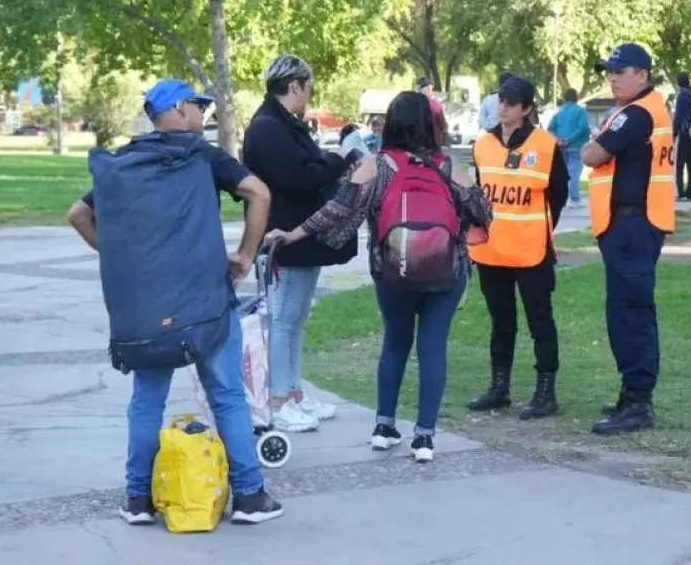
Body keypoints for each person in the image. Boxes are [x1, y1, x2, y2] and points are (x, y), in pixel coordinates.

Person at [65, 78, 283, 526]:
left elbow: (79, 215)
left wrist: (123, 258)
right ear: (181, 109)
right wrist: (245, 255)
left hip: (147, 309)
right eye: (200, 106)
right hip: (206, 304)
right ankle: (249, 496)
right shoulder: (203, 156)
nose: (203, 115)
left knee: (147, 401)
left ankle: (137, 500)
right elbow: (259, 192)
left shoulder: (124, 164)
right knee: (227, 396)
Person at [264, 92, 492, 462]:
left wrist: (292, 234)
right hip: (445, 271)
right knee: (433, 347)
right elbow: (482, 210)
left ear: (391, 124)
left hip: (392, 270)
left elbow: (337, 209)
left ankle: (384, 427)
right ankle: (424, 437)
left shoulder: (378, 165)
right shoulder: (449, 166)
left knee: (395, 342)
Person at [242, 54, 359, 433]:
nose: (309, 94)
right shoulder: (267, 127)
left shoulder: (285, 123)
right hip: (283, 236)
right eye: (307, 87)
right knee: (282, 319)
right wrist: (339, 159)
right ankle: (278, 400)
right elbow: (298, 175)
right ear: (295, 85)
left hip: (302, 235)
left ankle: (293, 391)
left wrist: (330, 161)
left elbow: (307, 167)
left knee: (295, 318)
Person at [580, 43, 675, 436]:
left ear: (642, 74)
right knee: (630, 310)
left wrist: (595, 144)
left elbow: (591, 154)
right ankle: (632, 393)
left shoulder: (636, 114)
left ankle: (638, 402)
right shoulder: (643, 109)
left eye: (620, 71)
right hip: (634, 223)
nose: (613, 78)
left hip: (633, 225)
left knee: (629, 313)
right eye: (610, 72)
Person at [467, 76, 569, 420]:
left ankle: (546, 392)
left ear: (526, 109)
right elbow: (479, 191)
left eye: (510, 103)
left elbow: (558, 194)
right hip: (492, 249)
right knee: (501, 322)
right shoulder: (483, 144)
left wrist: (539, 227)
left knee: (540, 321)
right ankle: (499, 387)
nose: (503, 108)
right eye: (501, 101)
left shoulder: (546, 145)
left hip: (531, 250)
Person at [547, 88, 591, 205]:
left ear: (564, 98)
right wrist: (569, 140)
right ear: (576, 97)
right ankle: (574, 198)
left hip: (561, 147)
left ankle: (563, 198)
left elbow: (550, 129)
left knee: (563, 173)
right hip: (576, 146)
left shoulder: (559, 112)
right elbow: (583, 128)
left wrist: (558, 140)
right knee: (574, 172)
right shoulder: (580, 111)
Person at [672, 72, 691, 201]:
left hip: (686, 133)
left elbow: (679, 117)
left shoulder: (682, 96)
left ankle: (681, 191)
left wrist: (674, 133)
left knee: (680, 164)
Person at [418, 76, 448, 147]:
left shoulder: (416, 103)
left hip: (420, 143)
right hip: (433, 143)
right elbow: (443, 124)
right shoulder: (436, 104)